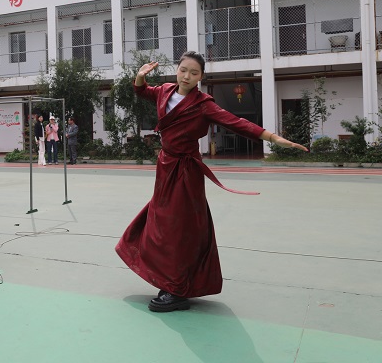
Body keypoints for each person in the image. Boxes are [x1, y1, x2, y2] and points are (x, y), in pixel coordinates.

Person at [115, 51, 308, 313]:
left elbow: (237, 123)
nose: (187, 76)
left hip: (186, 171)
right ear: (177, 70)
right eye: (183, 70)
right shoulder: (165, 91)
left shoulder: (203, 104)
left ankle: (177, 289)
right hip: (166, 167)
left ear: (201, 77)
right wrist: (139, 76)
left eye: (194, 73)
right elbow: (142, 91)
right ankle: (170, 280)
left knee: (179, 228)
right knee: (161, 222)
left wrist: (274, 138)